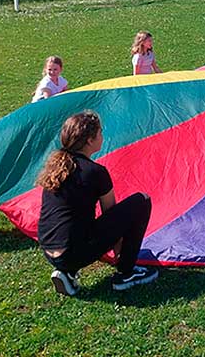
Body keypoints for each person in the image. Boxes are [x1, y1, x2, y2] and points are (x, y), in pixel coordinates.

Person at [37, 111, 158, 296]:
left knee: (75, 227)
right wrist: (121, 256)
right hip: (73, 251)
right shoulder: (96, 172)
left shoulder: (55, 167)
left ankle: (67, 272)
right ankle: (127, 274)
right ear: (89, 141)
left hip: (49, 249)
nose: (103, 137)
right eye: (100, 133)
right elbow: (112, 214)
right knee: (141, 201)